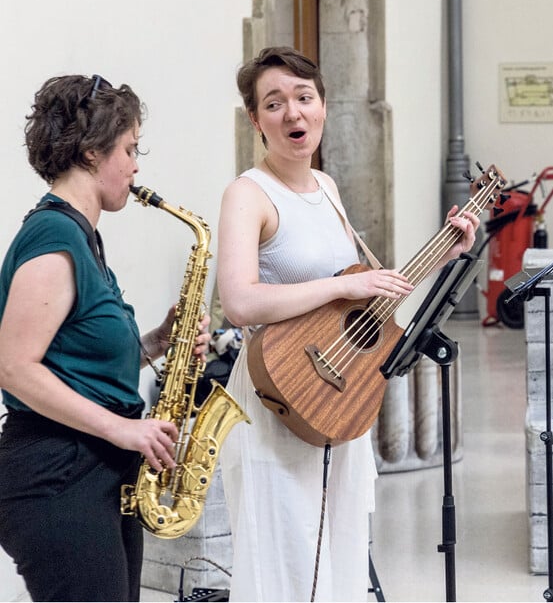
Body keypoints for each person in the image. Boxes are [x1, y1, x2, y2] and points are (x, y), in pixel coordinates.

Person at [217, 46, 478, 602]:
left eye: (304, 98)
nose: (294, 114)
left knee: (337, 555)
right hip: (274, 397)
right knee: (282, 560)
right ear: (255, 119)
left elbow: (365, 303)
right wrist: (343, 285)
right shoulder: (248, 194)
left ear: (324, 106)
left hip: (333, 397)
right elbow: (239, 302)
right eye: (275, 102)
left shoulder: (328, 188)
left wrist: (447, 252)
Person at [0, 74, 211, 601]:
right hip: (57, 477)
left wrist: (160, 341)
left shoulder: (83, 236)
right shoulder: (53, 235)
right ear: (93, 153)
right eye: (130, 148)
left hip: (96, 472)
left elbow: (78, 365)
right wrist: (124, 430)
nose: (137, 165)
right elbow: (14, 368)